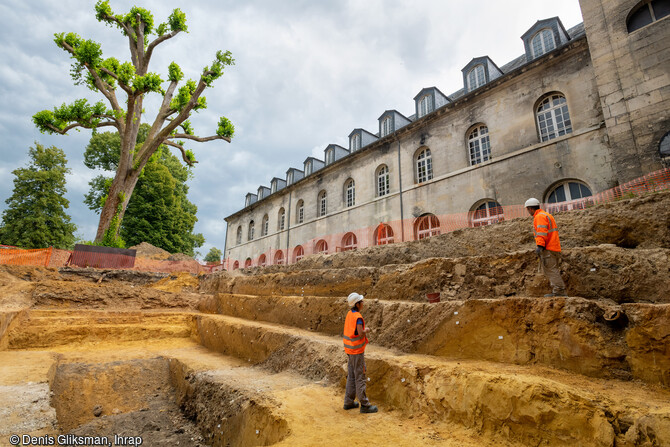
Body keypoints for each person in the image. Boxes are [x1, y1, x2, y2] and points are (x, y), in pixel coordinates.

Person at [342, 292, 378, 414]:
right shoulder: (357, 317)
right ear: (357, 304)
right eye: (361, 302)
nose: (363, 303)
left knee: (351, 376)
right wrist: (366, 330)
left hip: (350, 350)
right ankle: (365, 404)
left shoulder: (349, 314)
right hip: (357, 351)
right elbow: (360, 332)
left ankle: (348, 402)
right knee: (360, 377)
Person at [525, 198, 568, 297]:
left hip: (548, 248)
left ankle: (559, 291)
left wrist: (540, 246)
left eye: (528, 210)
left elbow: (541, 232)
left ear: (530, 209)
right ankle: (558, 291)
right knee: (552, 270)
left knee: (551, 270)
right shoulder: (546, 215)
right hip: (554, 246)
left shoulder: (539, 217)